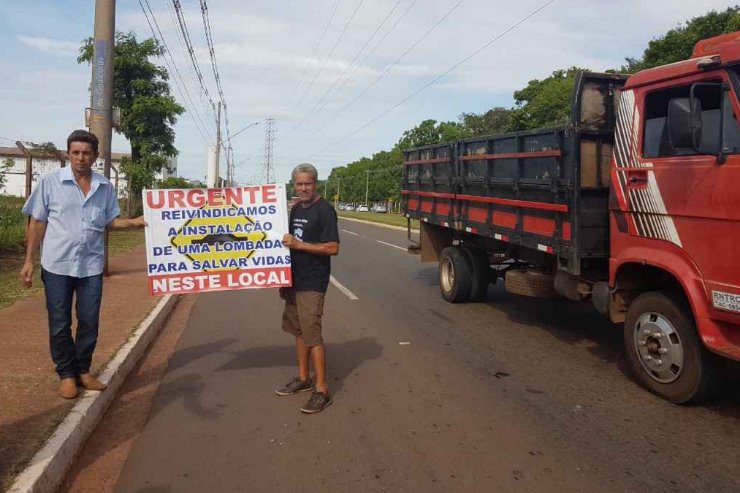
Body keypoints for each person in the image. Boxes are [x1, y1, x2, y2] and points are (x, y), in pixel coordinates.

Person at [20, 129, 146, 399]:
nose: (80, 158)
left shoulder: (104, 187)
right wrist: (29, 260)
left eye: (86, 153)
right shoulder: (50, 182)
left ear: (95, 156)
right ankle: (66, 374)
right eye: (75, 152)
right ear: (68, 154)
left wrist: (134, 222)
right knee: (59, 322)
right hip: (57, 265)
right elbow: (38, 221)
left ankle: (83, 370)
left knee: (89, 320)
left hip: (90, 266)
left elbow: (109, 221)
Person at [276, 163, 339, 414]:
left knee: (312, 334)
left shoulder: (325, 211)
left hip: (313, 282)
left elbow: (333, 248)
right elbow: (285, 245)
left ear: (316, 184)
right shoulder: (294, 210)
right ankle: (303, 379)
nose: (303, 188)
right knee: (299, 331)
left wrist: (300, 245)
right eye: (299, 183)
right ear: (294, 184)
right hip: (294, 280)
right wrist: (283, 277)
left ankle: (322, 389)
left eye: (308, 183)